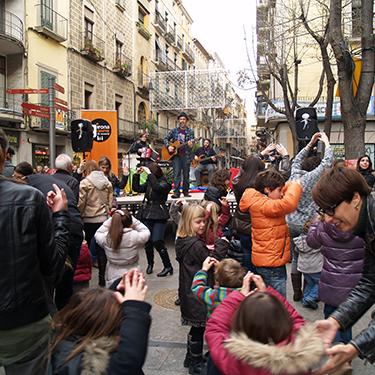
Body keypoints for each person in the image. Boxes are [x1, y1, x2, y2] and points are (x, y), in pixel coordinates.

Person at [0, 126, 70, 374]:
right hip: (24, 324)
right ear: (4, 155)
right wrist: (60, 216)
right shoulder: (28, 198)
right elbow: (54, 268)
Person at [310, 166, 375, 374]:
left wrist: (356, 346)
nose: (328, 219)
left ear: (355, 198)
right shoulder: (367, 225)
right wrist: (336, 321)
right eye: (323, 212)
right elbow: (370, 282)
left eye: (331, 209)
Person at [205, 272, 325, 375]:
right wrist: (268, 293)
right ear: (282, 319)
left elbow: (215, 327)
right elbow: (297, 321)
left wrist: (239, 295)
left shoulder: (229, 356)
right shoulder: (299, 356)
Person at [49, 269, 151, 375]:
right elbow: (128, 361)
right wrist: (135, 308)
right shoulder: (80, 366)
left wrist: (117, 290)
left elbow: (98, 309)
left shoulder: (68, 341)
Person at [176, 204, 229, 374]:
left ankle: (190, 356)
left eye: (203, 222)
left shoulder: (183, 241)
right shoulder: (196, 245)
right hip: (197, 294)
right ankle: (195, 362)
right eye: (198, 222)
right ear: (187, 222)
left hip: (188, 291)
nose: (202, 225)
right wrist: (221, 244)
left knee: (196, 328)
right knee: (199, 328)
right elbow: (211, 261)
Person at [239, 169, 302, 297]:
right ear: (267, 189)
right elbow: (289, 204)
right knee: (278, 302)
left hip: (269, 260)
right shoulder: (264, 205)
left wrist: (287, 185)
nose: (281, 194)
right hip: (271, 263)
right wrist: (295, 186)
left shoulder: (259, 200)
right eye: (279, 190)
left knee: (267, 299)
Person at [287, 132, 333, 302]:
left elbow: (297, 160)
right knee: (310, 255)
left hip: (290, 222)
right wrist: (326, 143)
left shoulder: (294, 175)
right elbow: (327, 162)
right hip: (306, 224)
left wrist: (309, 144)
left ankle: (297, 291)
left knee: (296, 256)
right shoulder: (311, 178)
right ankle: (310, 292)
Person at [306, 219, 364, 344]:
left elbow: (311, 242)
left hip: (330, 282)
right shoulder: (362, 223)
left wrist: (315, 223)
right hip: (353, 284)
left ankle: (332, 347)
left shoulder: (324, 224)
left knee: (330, 317)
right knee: (346, 319)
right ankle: (344, 350)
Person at [132, 162, 173, 276]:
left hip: (159, 214)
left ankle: (168, 266)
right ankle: (150, 264)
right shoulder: (150, 182)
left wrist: (149, 174)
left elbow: (157, 188)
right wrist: (136, 175)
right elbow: (137, 188)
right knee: (148, 241)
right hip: (147, 213)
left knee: (157, 241)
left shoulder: (165, 183)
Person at [78, 160, 113, 286]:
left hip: (88, 218)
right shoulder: (106, 182)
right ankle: (102, 278)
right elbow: (110, 200)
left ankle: (85, 275)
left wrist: (80, 214)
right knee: (101, 248)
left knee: (86, 247)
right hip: (102, 218)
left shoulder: (85, 183)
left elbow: (81, 202)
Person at [95, 209, 150, 286]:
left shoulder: (106, 238)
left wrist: (114, 218)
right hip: (133, 273)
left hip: (113, 273)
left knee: (114, 296)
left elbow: (98, 233)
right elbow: (146, 231)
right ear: (130, 222)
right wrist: (132, 219)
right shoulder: (135, 236)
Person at [232, 156, 265, 271]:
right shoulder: (262, 184)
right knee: (261, 254)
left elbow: (237, 175)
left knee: (247, 253)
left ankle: (248, 276)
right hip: (258, 224)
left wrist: (250, 162)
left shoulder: (238, 183)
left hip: (242, 224)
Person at [164, 112, 195, 198]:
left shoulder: (190, 131)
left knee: (186, 175)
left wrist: (190, 145)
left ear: (186, 121)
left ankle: (185, 192)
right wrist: (169, 146)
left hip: (186, 155)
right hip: (176, 156)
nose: (182, 121)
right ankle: (176, 192)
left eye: (184, 119)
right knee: (176, 174)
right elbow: (165, 138)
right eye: (181, 119)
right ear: (178, 120)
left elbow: (191, 144)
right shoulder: (174, 131)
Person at [293, 228, 323, 310]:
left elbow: (296, 250)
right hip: (315, 267)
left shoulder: (300, 240)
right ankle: (309, 298)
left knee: (310, 283)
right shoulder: (319, 240)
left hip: (303, 267)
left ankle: (305, 300)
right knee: (321, 283)